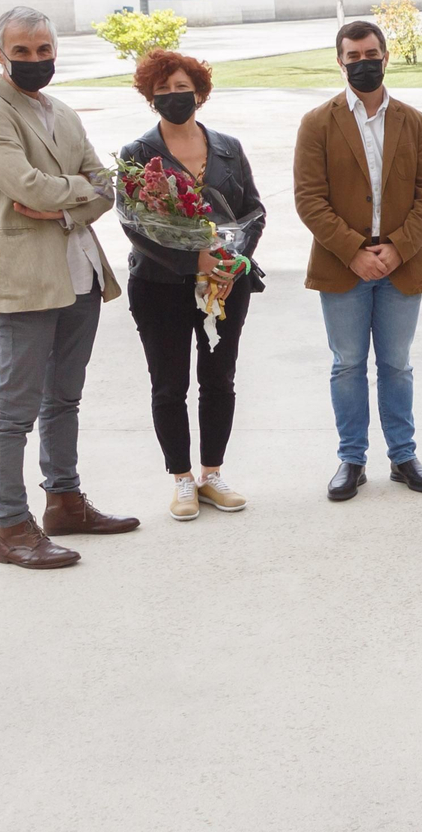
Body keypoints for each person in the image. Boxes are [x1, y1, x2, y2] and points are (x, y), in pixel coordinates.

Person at [0, 6, 138, 569]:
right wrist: (73, 192)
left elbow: (106, 188)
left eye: (44, 51)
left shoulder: (61, 109)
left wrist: (64, 204)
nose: (36, 61)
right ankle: (11, 528)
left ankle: (64, 501)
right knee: (16, 410)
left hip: (80, 272)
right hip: (27, 283)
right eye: (22, 52)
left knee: (64, 399)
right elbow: (25, 187)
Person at [294, 20, 422, 501]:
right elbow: (309, 199)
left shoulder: (415, 122)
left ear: (386, 55)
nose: (363, 62)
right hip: (343, 266)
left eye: (371, 53)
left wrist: (399, 247)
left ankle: (403, 456)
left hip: (402, 261)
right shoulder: (318, 123)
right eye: (353, 56)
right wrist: (353, 252)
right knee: (348, 364)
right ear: (339, 61)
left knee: (397, 365)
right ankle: (351, 459)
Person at [118, 48, 267, 522]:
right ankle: (182, 479)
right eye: (163, 91)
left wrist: (233, 258)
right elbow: (135, 224)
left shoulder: (228, 147)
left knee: (219, 379)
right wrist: (193, 257)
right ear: (150, 97)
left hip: (224, 284)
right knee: (169, 384)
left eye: (183, 88)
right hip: (160, 284)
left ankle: (212, 475)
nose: (174, 97)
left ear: (199, 92)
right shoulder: (137, 155)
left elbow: (254, 210)